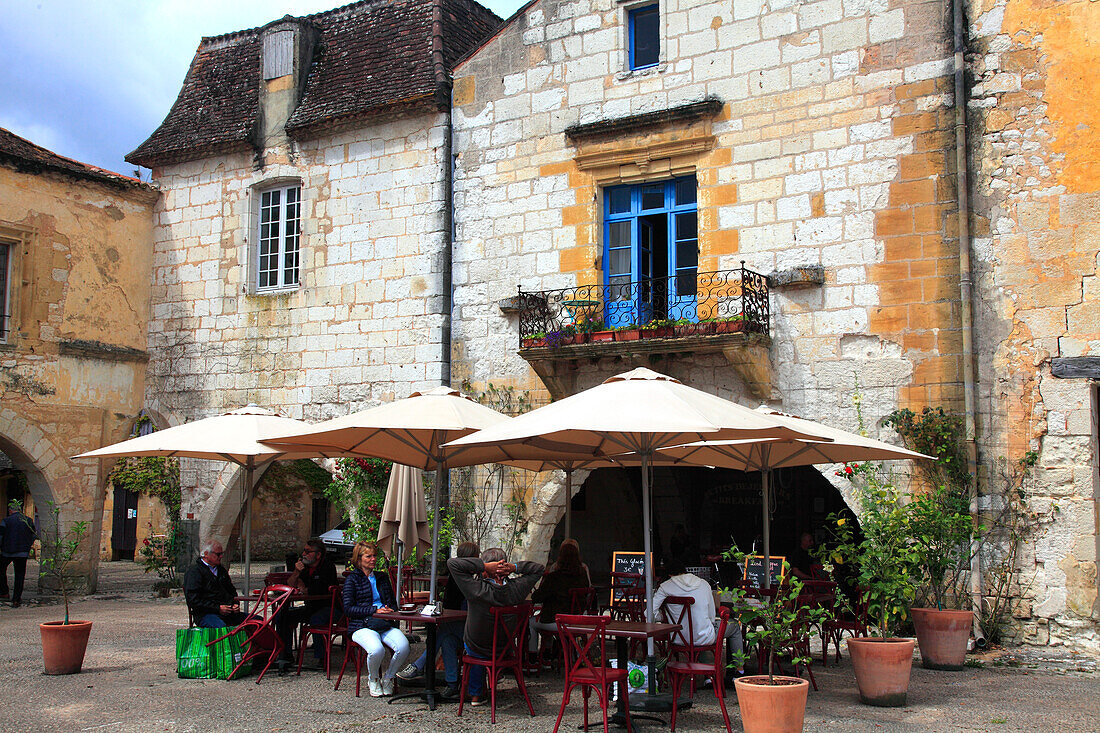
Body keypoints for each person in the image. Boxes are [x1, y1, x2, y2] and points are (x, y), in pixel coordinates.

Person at [447, 547, 544, 705]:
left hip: (478, 646)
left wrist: (483, 567)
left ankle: (476, 693)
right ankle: (491, 680)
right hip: (506, 648)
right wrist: (514, 567)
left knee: (463, 642)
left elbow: (452, 563)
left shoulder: (477, 589)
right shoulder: (516, 589)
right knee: (481, 641)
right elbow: (538, 569)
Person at [397, 541, 480, 699]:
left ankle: (419, 665)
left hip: (475, 633)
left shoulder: (473, 581)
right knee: (447, 640)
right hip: (463, 627)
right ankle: (452, 684)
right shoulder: (458, 579)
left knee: (443, 631)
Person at [653, 557, 744, 675]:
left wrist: (663, 617)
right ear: (685, 571)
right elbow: (711, 614)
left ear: (669, 574)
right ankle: (739, 670)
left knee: (698, 630)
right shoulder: (703, 584)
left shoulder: (665, 587)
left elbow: (649, 613)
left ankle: (707, 677)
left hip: (677, 638)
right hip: (704, 636)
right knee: (734, 626)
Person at [343, 540, 410, 697]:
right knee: (376, 649)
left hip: (383, 623)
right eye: (368, 556)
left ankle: (389, 677)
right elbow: (348, 609)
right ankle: (373, 678)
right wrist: (374, 610)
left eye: (374, 556)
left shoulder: (381, 577)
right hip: (361, 625)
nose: (373, 559)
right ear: (359, 559)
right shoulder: (352, 579)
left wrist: (389, 609)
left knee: (404, 646)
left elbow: (393, 603)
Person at [276, 539, 339, 669]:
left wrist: (306, 590)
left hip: (330, 607)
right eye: (304, 551)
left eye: (308, 551)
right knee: (283, 614)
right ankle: (285, 655)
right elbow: (290, 585)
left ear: (318, 554)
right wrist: (297, 573)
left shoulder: (327, 567)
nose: (304, 554)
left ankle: (322, 658)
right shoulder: (305, 568)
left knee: (317, 619)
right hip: (311, 606)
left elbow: (322, 589)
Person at [529, 540, 590, 661]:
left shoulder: (554, 577)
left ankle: (534, 657)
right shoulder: (582, 574)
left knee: (531, 623)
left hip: (557, 621)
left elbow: (537, 598)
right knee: (545, 618)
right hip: (576, 619)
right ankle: (550, 653)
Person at [183, 540, 245, 628]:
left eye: (221, 553)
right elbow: (193, 600)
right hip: (206, 614)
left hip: (228, 613)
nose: (221, 556)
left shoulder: (221, 570)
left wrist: (235, 604)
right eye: (218, 554)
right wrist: (217, 608)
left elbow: (231, 591)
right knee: (221, 628)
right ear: (206, 554)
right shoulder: (194, 572)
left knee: (257, 621)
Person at [1, 502, 37, 608]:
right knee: (20, 575)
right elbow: (33, 534)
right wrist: (28, 545)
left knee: (1, 569)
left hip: (7, 551)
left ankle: (4, 591)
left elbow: (1, 535)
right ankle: (16, 598)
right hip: (22, 552)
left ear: (10, 510)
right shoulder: (28, 521)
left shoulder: (6, 521)